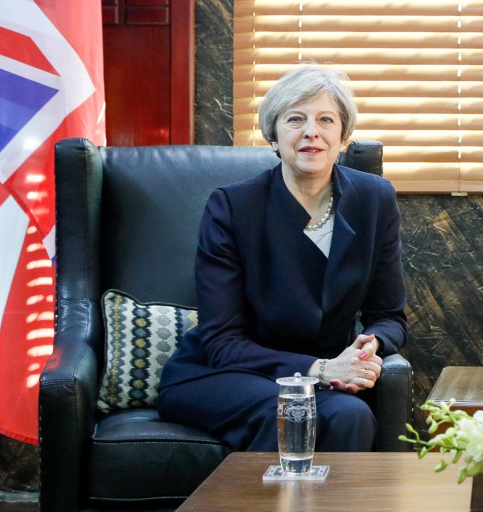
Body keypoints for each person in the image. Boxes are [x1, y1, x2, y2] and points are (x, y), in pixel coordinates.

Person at [157, 63, 408, 453]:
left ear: (343, 135)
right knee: (291, 410)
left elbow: (390, 316)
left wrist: (366, 349)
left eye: (326, 119)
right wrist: (321, 369)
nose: (312, 131)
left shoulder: (374, 199)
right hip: (224, 374)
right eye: (295, 119)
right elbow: (221, 342)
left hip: (322, 379)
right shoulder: (233, 207)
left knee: (351, 415)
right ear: (274, 134)